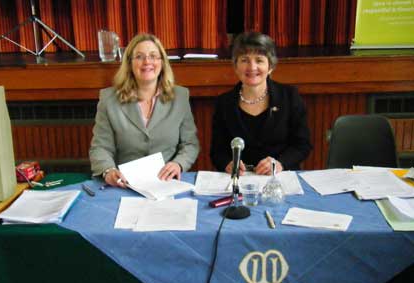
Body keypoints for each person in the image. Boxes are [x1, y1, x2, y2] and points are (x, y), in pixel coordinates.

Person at [90, 33, 199, 187]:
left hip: (166, 183)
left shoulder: (180, 97)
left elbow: (190, 144)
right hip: (125, 184)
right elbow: (100, 147)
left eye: (153, 56)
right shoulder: (109, 99)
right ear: (129, 63)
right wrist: (108, 170)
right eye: (139, 57)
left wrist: (178, 164)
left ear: (162, 62)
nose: (147, 61)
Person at [210, 32, 312, 176]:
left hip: (279, 178)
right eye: (244, 60)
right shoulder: (224, 102)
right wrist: (227, 163)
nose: (252, 67)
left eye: (259, 60)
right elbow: (217, 151)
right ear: (235, 66)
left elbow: (302, 145)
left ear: (270, 66)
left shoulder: (289, 96)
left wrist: (280, 163)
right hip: (240, 180)